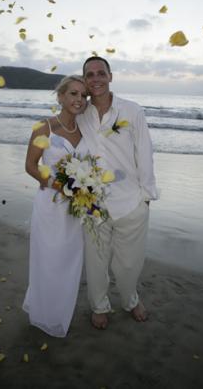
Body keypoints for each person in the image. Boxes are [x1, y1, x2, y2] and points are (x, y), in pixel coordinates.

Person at [77, 56, 158, 329]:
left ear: (110, 77)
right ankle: (99, 305)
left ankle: (131, 299)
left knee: (129, 264)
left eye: (101, 73)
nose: (96, 78)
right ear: (85, 80)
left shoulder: (132, 111)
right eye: (90, 75)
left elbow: (144, 153)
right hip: (92, 203)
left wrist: (146, 197)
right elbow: (59, 133)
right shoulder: (80, 113)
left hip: (130, 201)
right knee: (96, 262)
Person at [22, 75, 88, 337]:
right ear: (60, 97)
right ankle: (43, 312)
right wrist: (57, 185)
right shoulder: (43, 128)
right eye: (73, 94)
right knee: (48, 259)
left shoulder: (86, 130)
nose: (78, 100)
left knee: (69, 261)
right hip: (50, 204)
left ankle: (61, 312)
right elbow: (30, 166)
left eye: (83, 96)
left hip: (75, 209)